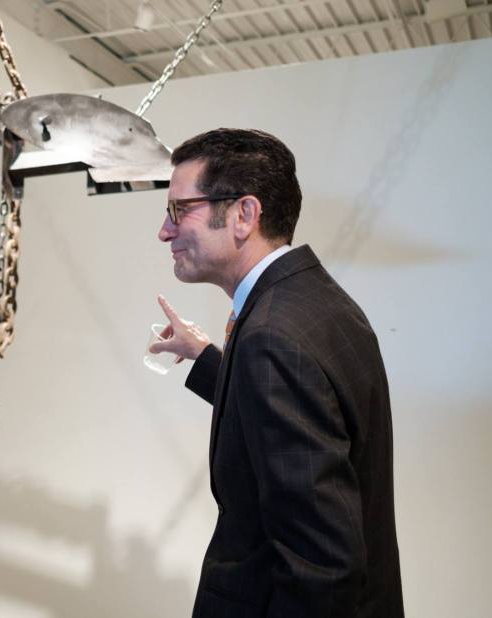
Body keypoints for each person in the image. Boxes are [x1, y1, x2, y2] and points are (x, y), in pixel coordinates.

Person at [151, 128, 403, 617]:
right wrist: (207, 358)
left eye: (180, 209)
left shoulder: (270, 338)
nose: (165, 230)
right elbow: (299, 414)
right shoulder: (312, 301)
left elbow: (322, 565)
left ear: (244, 215)